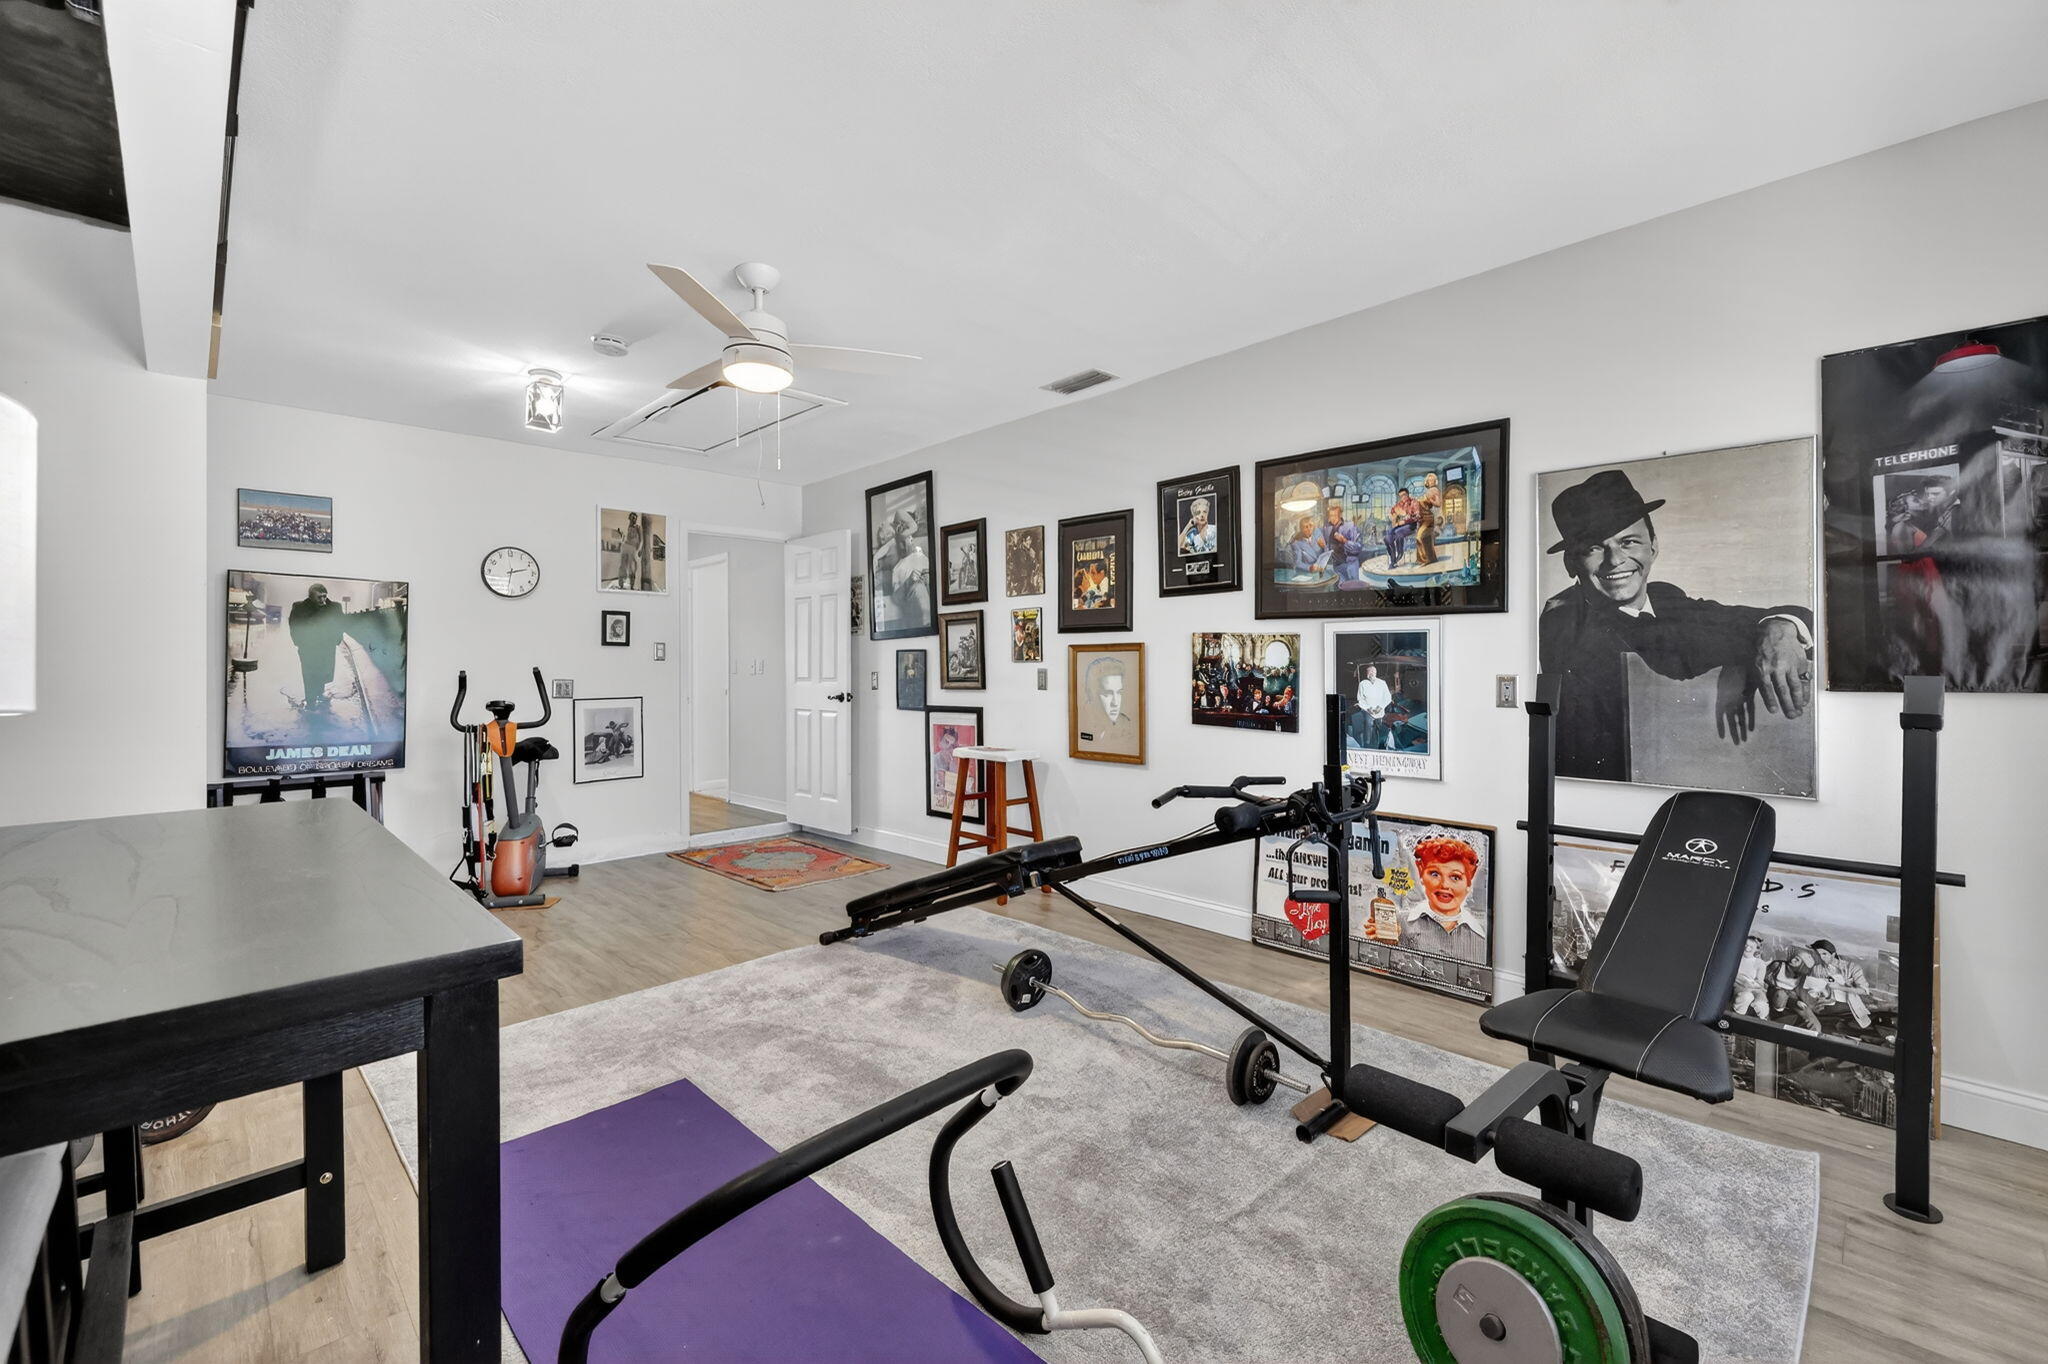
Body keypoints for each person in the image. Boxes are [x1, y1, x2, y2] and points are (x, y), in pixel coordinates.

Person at [1539, 468, 1814, 782]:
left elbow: (1762, 616)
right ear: (1571, 564)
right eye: (1594, 548)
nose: (1614, 560)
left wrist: (1780, 628)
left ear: (1653, 547)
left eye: (1628, 542)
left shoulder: (1664, 596)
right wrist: (1747, 654)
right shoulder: (1562, 617)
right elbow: (1669, 657)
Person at [1397, 836, 1487, 963]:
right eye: (1435, 874)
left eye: (1455, 877)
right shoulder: (1400, 923)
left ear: (1468, 883)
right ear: (1422, 877)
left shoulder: (1482, 938)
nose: (1444, 885)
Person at [288, 582, 346, 715]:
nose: (323, 600)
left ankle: (319, 693)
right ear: (310, 597)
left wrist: (337, 639)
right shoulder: (299, 607)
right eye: (319, 597)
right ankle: (311, 701)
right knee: (309, 674)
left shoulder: (334, 607)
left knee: (323, 672)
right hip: (308, 647)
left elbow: (340, 624)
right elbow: (294, 625)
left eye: (324, 596)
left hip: (326, 647)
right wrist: (299, 642)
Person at [874, 510, 931, 631]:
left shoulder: (922, 557)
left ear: (911, 540)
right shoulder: (897, 568)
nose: (902, 547)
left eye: (905, 542)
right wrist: (910, 581)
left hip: (933, 607)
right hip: (916, 615)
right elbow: (897, 598)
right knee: (918, 588)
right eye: (899, 543)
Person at [1079, 656, 1136, 752]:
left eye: (1118, 692)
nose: (1115, 703)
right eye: (1108, 693)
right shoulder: (1082, 720)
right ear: (1091, 694)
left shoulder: (1126, 724)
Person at [1317, 501, 1364, 581]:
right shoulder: (1326, 528)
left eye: (1335, 515)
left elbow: (1358, 548)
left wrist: (1344, 541)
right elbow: (1326, 548)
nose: (1333, 518)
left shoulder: (1350, 526)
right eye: (1331, 515)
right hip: (1335, 567)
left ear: (1340, 515)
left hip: (1349, 565)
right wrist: (1322, 545)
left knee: (1353, 588)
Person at [1353, 663, 1394, 750]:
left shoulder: (1382, 683)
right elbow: (1360, 699)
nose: (1371, 673)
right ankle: (1367, 746)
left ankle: (1381, 746)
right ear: (1366, 674)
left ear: (1376, 673)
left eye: (1373, 671)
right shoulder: (1362, 683)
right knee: (1368, 727)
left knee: (1380, 731)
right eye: (1369, 671)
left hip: (1380, 711)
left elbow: (1388, 697)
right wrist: (1368, 708)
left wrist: (1380, 707)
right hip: (1368, 711)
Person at [1730, 935, 1770, 1019]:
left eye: (1751, 947)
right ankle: (1737, 1017)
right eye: (1745, 945)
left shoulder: (1760, 963)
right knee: (1746, 997)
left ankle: (1761, 1022)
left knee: (1761, 1005)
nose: (1747, 948)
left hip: (1754, 988)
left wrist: (1754, 986)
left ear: (1756, 948)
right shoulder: (1734, 958)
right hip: (1737, 986)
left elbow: (1760, 982)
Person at [1384, 488, 1422, 566]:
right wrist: (1393, 516)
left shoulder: (1414, 502)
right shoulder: (1400, 504)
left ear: (1408, 494)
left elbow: (1417, 516)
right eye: (1401, 496)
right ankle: (1393, 559)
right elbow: (1393, 511)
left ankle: (1400, 553)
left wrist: (1405, 521)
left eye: (1404, 495)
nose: (1403, 497)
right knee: (1387, 537)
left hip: (1411, 526)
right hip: (1399, 525)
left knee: (1398, 532)